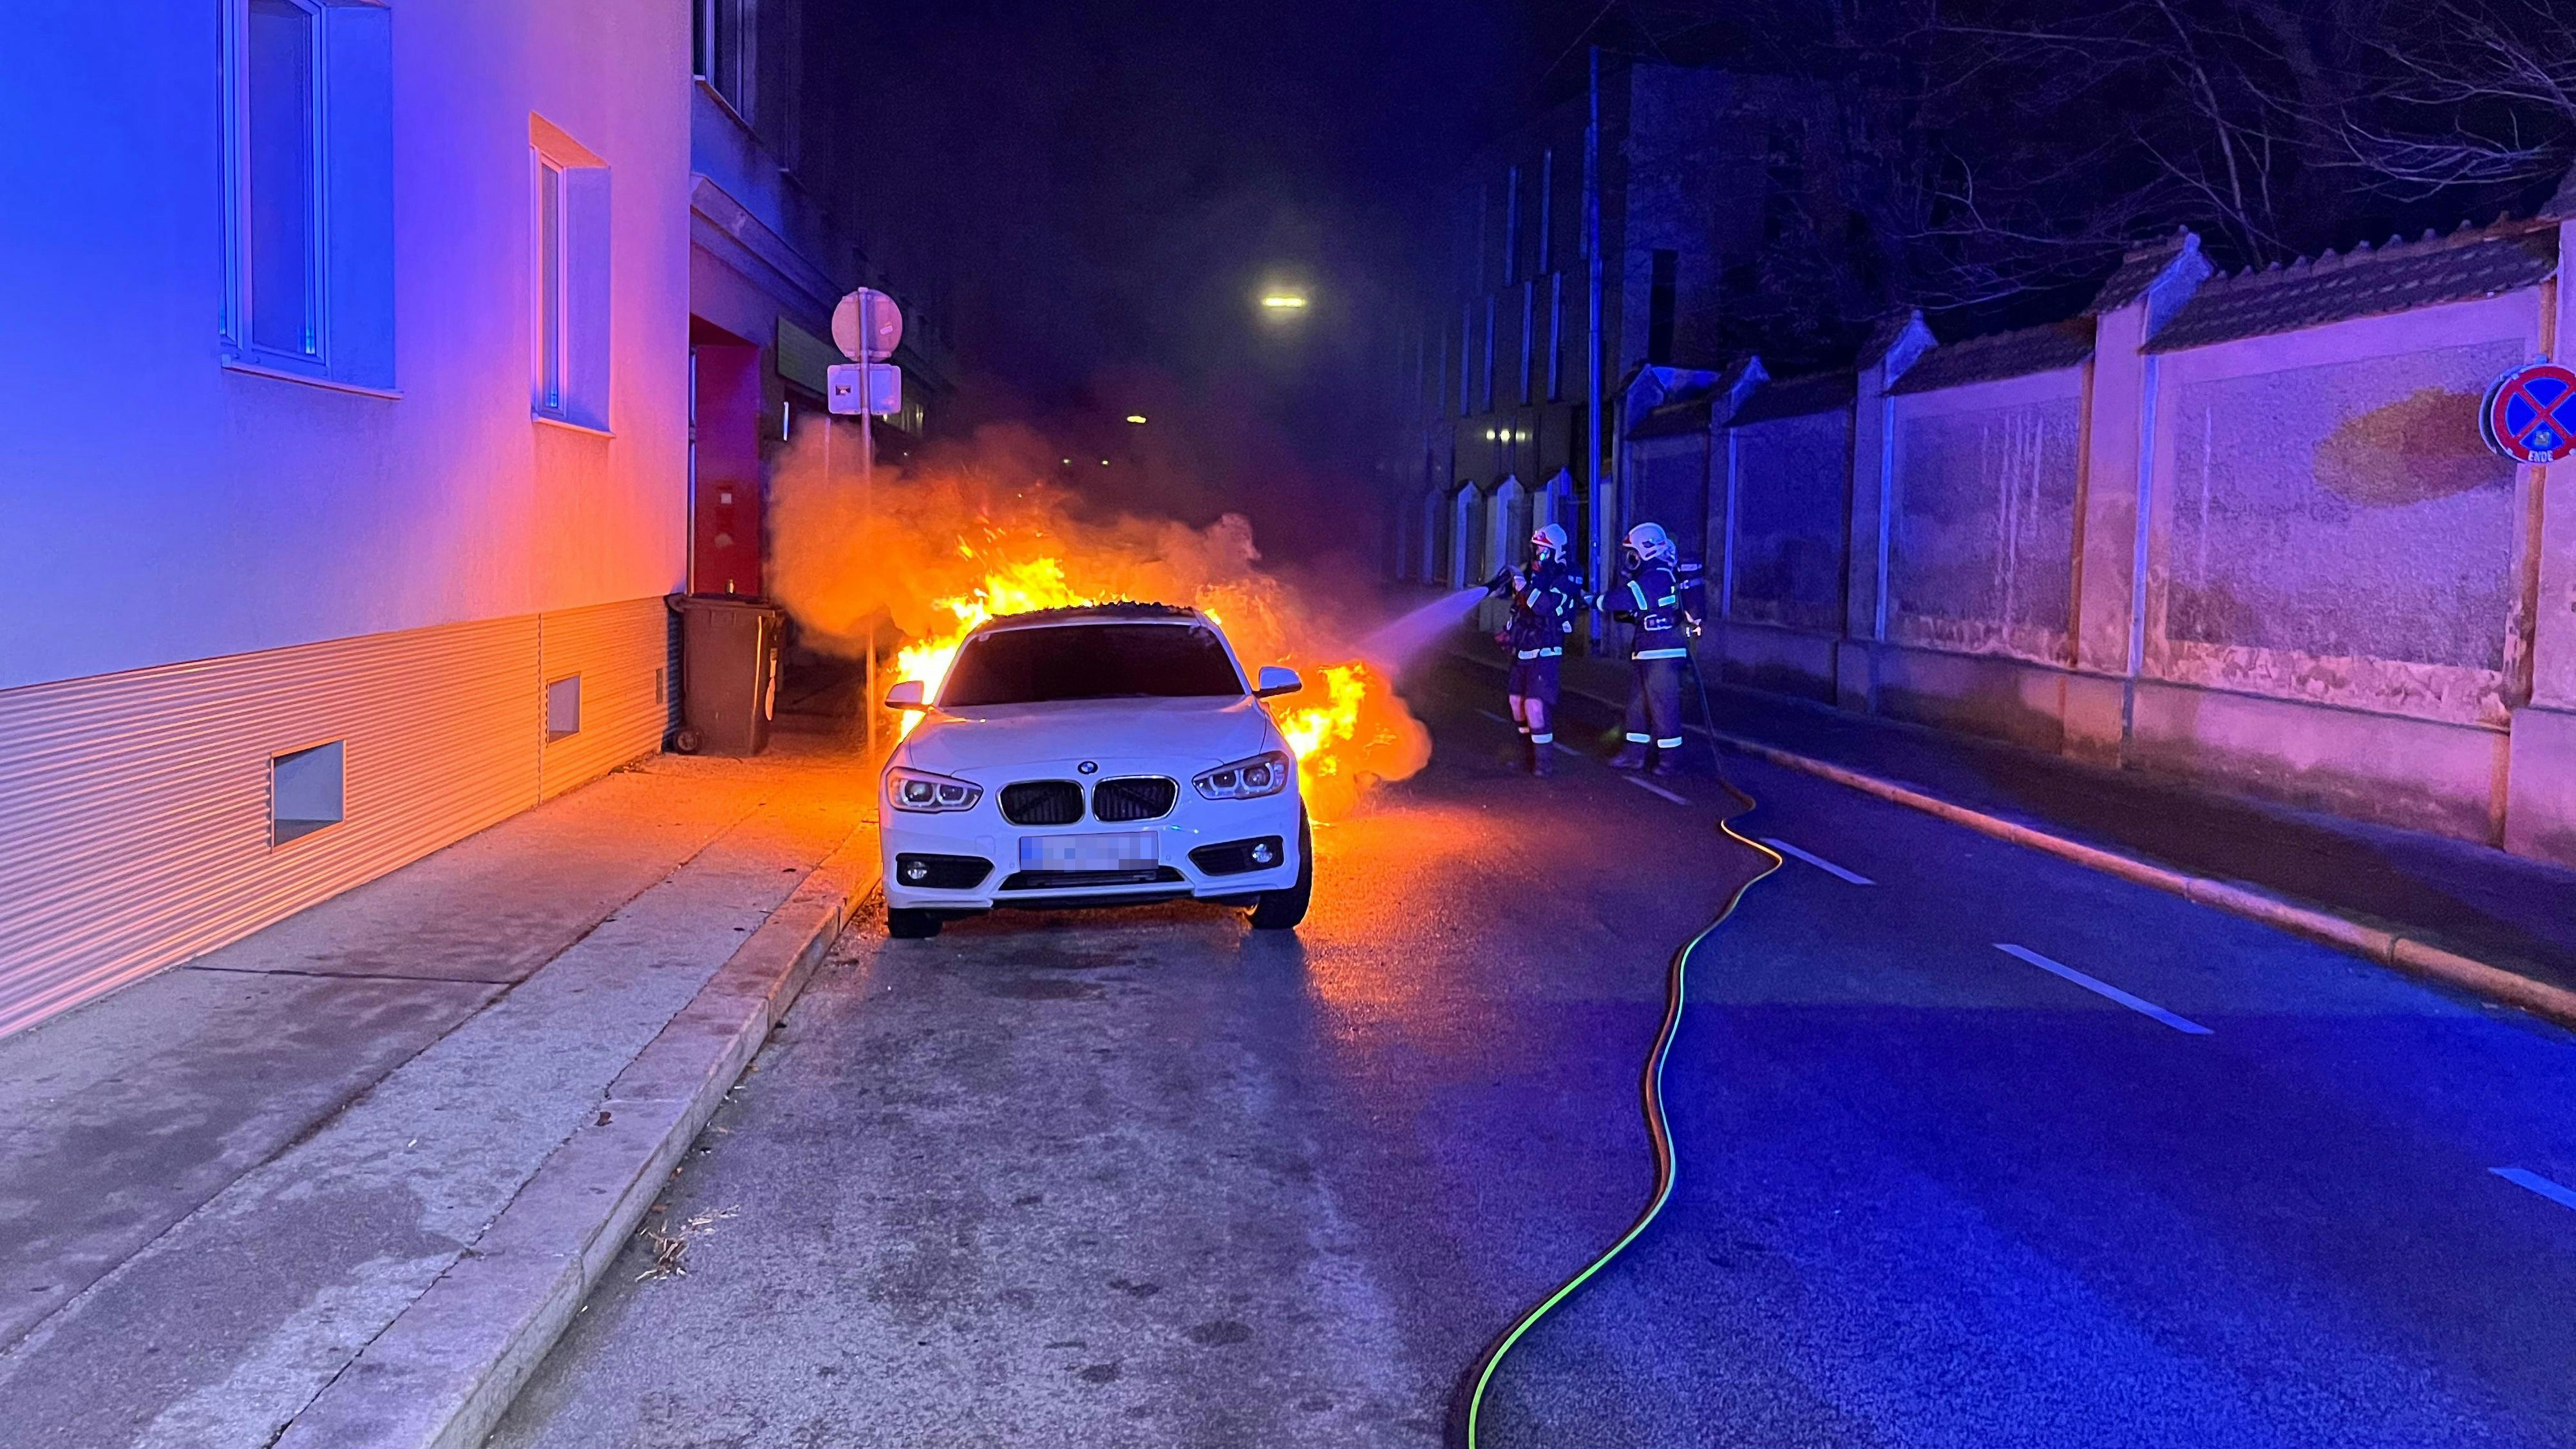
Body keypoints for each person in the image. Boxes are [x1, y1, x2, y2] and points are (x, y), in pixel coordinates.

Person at [1598, 520, 1703, 775]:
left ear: (1646, 550)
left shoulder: (1657, 576)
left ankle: (1670, 761)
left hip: (1663, 651)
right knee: (1636, 706)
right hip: (1648, 649)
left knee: (1663, 707)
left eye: (1633, 553)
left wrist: (1595, 601)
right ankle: (1634, 754)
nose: (1630, 559)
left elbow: (1623, 599)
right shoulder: (1652, 575)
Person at [1492, 523, 1582, 775]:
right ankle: (1526, 756)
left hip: (1546, 649)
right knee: (1516, 702)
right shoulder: (1532, 574)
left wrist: (1525, 587)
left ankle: (1543, 763)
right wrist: (1509, 633)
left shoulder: (1568, 576)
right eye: (1536, 549)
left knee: (1535, 706)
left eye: (1543, 550)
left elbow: (1544, 606)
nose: (1538, 555)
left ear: (1556, 551)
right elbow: (1519, 609)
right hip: (1523, 648)